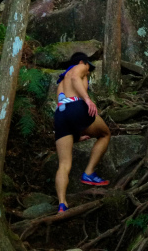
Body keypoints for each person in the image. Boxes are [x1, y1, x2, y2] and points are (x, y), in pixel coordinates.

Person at [54, 51, 111, 213]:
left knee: (64, 164)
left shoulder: (61, 81)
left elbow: (63, 106)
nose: (88, 71)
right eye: (88, 67)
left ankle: (62, 204)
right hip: (76, 106)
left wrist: (77, 135)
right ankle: (88, 173)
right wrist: (87, 99)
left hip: (60, 113)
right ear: (83, 62)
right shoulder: (78, 68)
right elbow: (74, 78)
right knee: (105, 134)